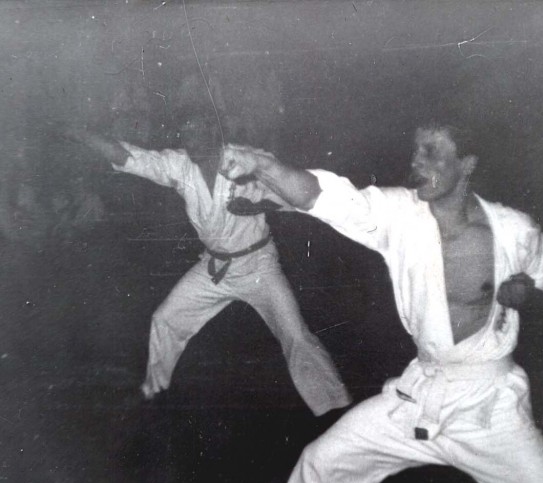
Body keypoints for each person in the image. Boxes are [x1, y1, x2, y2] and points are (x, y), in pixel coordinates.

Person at [218, 123, 543, 483]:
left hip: (490, 408)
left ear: (467, 164)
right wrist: (262, 165)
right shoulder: (400, 214)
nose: (416, 162)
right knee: (322, 465)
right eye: (415, 151)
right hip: (418, 396)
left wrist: (526, 293)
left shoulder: (516, 230)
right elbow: (324, 195)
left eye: (431, 152)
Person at [65, 108, 351, 417]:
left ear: (213, 131)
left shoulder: (246, 160)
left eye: (196, 131)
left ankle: (334, 406)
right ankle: (153, 392)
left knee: (295, 335)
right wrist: (79, 133)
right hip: (214, 268)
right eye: (185, 133)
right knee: (165, 319)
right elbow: (130, 157)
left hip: (258, 266)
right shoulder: (180, 165)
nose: (190, 140)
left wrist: (258, 206)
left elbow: (297, 196)